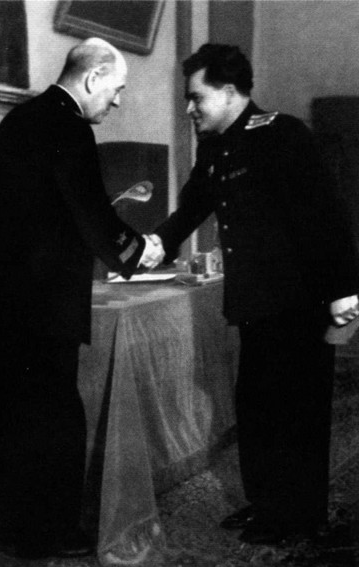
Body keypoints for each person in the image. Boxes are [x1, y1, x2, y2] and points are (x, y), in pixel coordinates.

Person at [151, 44, 359, 545]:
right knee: (258, 409)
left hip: (300, 302)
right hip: (257, 305)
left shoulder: (282, 134)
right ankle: (267, 503)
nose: (189, 108)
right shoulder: (215, 147)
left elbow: (326, 215)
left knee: (297, 415)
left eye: (196, 97)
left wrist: (343, 290)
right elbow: (192, 207)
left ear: (228, 92)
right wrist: (156, 245)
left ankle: (298, 518)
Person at [0, 38, 163, 560]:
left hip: (0, 300)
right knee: (54, 420)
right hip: (40, 305)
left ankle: (21, 528)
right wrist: (136, 250)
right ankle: (49, 533)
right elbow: (90, 212)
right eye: (116, 88)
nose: (117, 100)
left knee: (15, 419)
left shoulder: (20, 119)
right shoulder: (68, 127)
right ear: (93, 77)